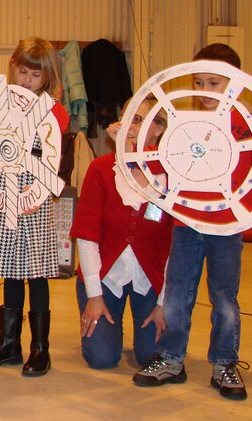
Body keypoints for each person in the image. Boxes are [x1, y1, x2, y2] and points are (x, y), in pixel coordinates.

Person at [132, 43, 252, 400]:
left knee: (224, 297)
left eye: (214, 83)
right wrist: (131, 144)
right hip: (187, 222)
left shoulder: (250, 126)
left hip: (228, 226)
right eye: (200, 82)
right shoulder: (186, 123)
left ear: (235, 84)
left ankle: (224, 361)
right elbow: (162, 163)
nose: (205, 92)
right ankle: (172, 357)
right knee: (176, 295)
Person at [0, 37, 69, 376]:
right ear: (14, 67)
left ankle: (40, 349)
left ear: (47, 77)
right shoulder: (2, 103)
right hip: (3, 189)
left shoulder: (54, 111)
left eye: (35, 75)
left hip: (34, 194)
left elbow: (53, 150)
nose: (26, 80)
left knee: (36, 270)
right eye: (22, 71)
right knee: (10, 268)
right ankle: (8, 343)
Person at [72, 97, 172, 370]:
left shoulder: (172, 174)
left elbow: (177, 245)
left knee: (152, 358)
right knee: (101, 358)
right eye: (128, 118)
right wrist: (94, 296)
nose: (131, 126)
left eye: (140, 120)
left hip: (150, 279)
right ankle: (104, 322)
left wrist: (165, 304)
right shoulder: (101, 169)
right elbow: (86, 235)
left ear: (158, 129)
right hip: (105, 278)